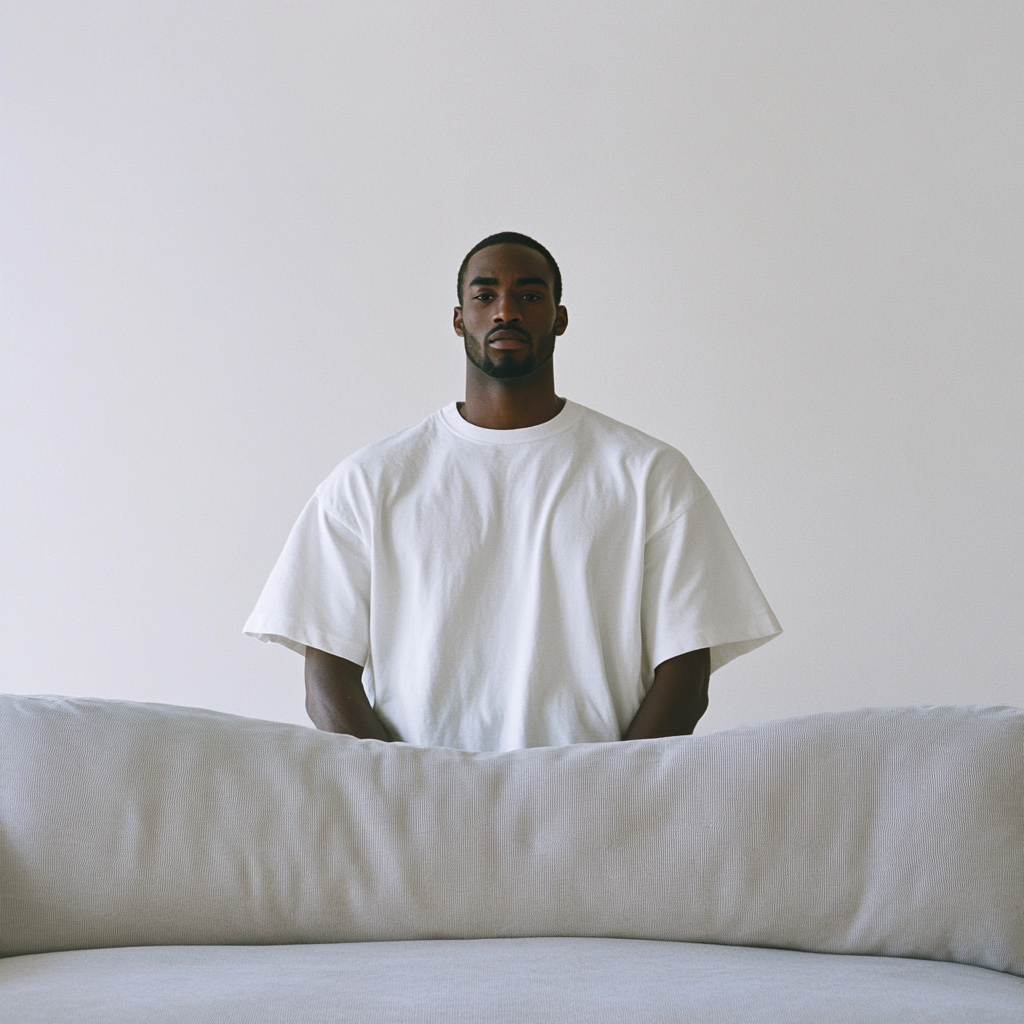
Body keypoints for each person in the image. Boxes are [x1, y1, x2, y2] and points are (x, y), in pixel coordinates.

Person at [244, 232, 780, 751]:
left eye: (529, 294)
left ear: (559, 317)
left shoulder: (649, 474)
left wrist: (610, 793)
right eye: (485, 295)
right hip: (419, 815)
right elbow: (327, 684)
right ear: (459, 320)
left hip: (595, 811)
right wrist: (407, 797)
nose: (506, 311)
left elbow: (686, 674)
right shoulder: (371, 480)